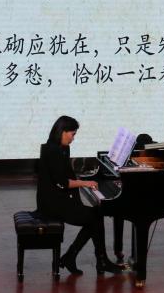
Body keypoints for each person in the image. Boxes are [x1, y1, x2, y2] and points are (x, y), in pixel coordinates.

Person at [37, 115, 122, 275]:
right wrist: (84, 183)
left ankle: (77, 257)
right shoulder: (53, 151)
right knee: (95, 217)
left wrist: (84, 179)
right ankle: (97, 260)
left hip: (59, 199)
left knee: (96, 215)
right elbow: (63, 182)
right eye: (72, 134)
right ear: (63, 131)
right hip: (52, 204)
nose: (73, 138)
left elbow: (66, 175)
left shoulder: (61, 148)